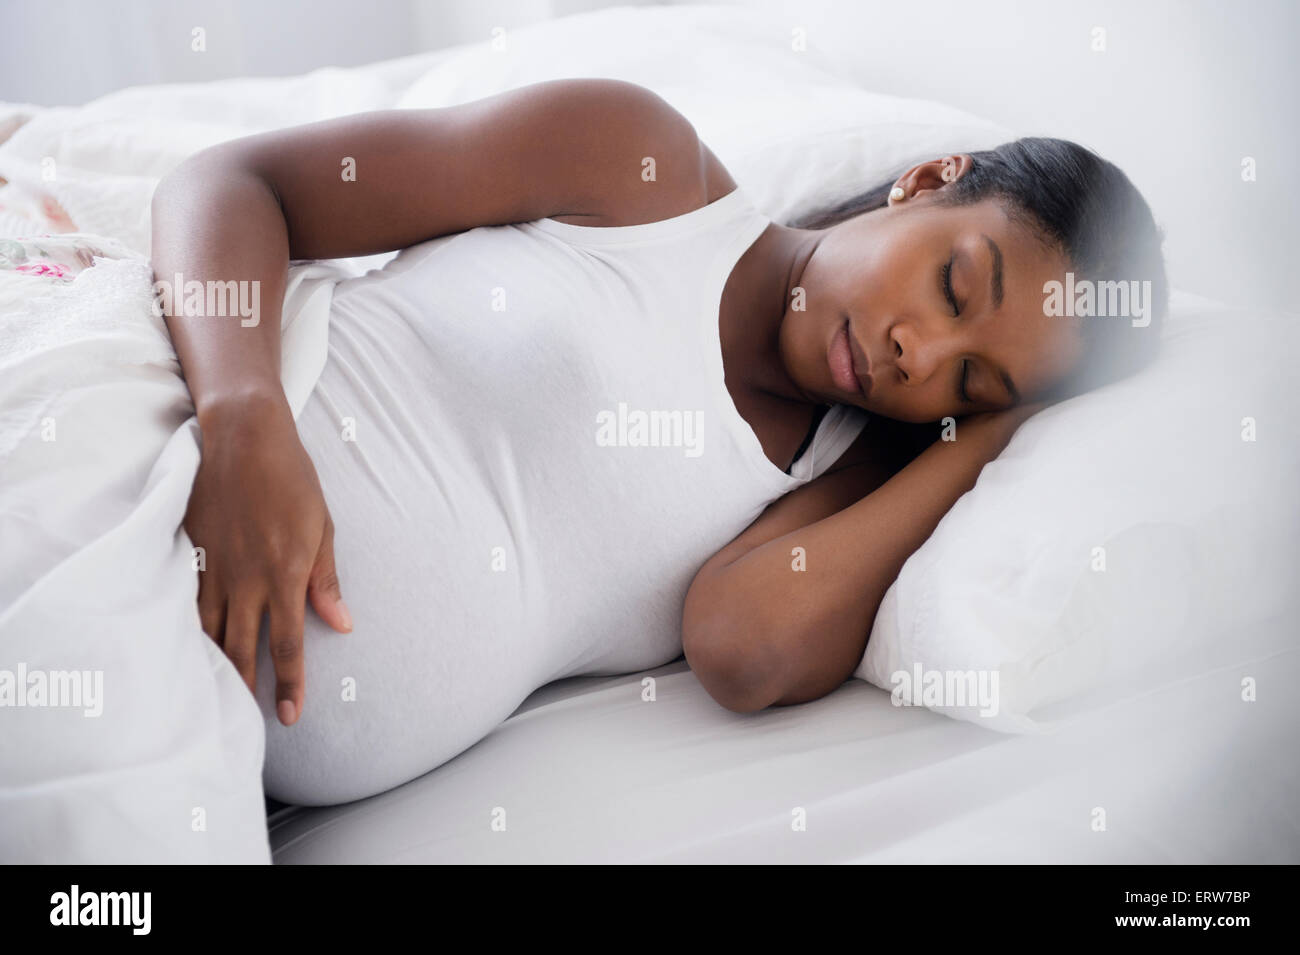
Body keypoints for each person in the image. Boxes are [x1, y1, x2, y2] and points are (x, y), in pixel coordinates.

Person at [150, 78, 1166, 804]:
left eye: (970, 377)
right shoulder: (639, 170)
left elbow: (743, 646)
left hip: (190, 749)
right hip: (157, 479)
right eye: (953, 285)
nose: (917, 353)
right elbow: (234, 184)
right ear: (927, 180)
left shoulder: (832, 474)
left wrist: (978, 439)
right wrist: (244, 424)